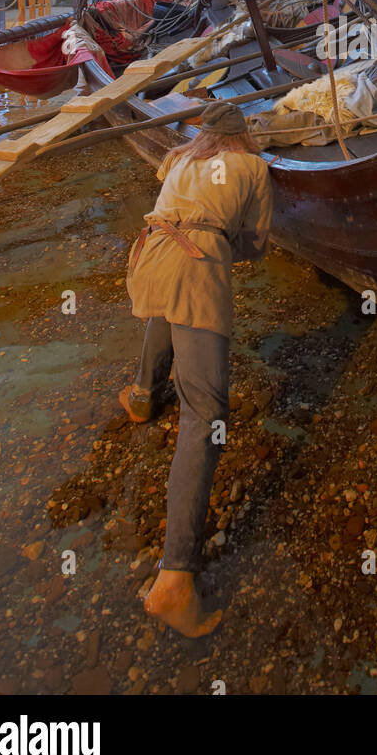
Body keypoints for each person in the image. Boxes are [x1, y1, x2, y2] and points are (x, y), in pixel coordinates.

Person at [120, 100, 273, 637]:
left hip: (150, 253)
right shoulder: (254, 167)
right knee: (205, 413)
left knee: (166, 309)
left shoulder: (177, 159)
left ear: (204, 135)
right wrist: (228, 244)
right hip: (195, 264)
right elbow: (255, 245)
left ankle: (141, 394)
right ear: (243, 137)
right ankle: (175, 579)